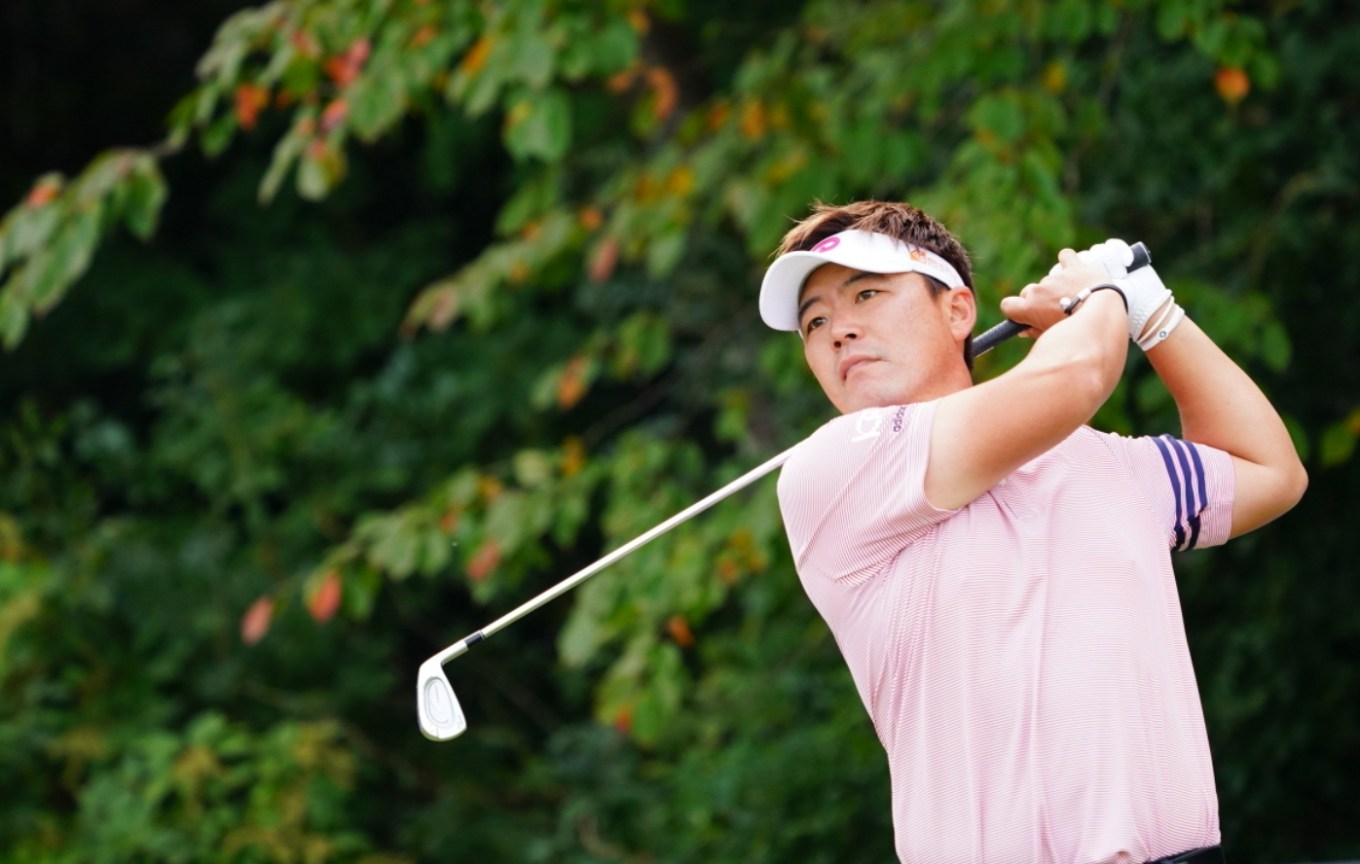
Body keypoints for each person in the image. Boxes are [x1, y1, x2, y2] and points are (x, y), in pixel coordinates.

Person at [758, 200, 1307, 864]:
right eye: (815, 322)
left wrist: (1152, 309)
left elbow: (1271, 472)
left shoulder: (1107, 463)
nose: (839, 331)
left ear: (958, 310)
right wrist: (1101, 295)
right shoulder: (831, 471)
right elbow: (1078, 376)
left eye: (866, 294)